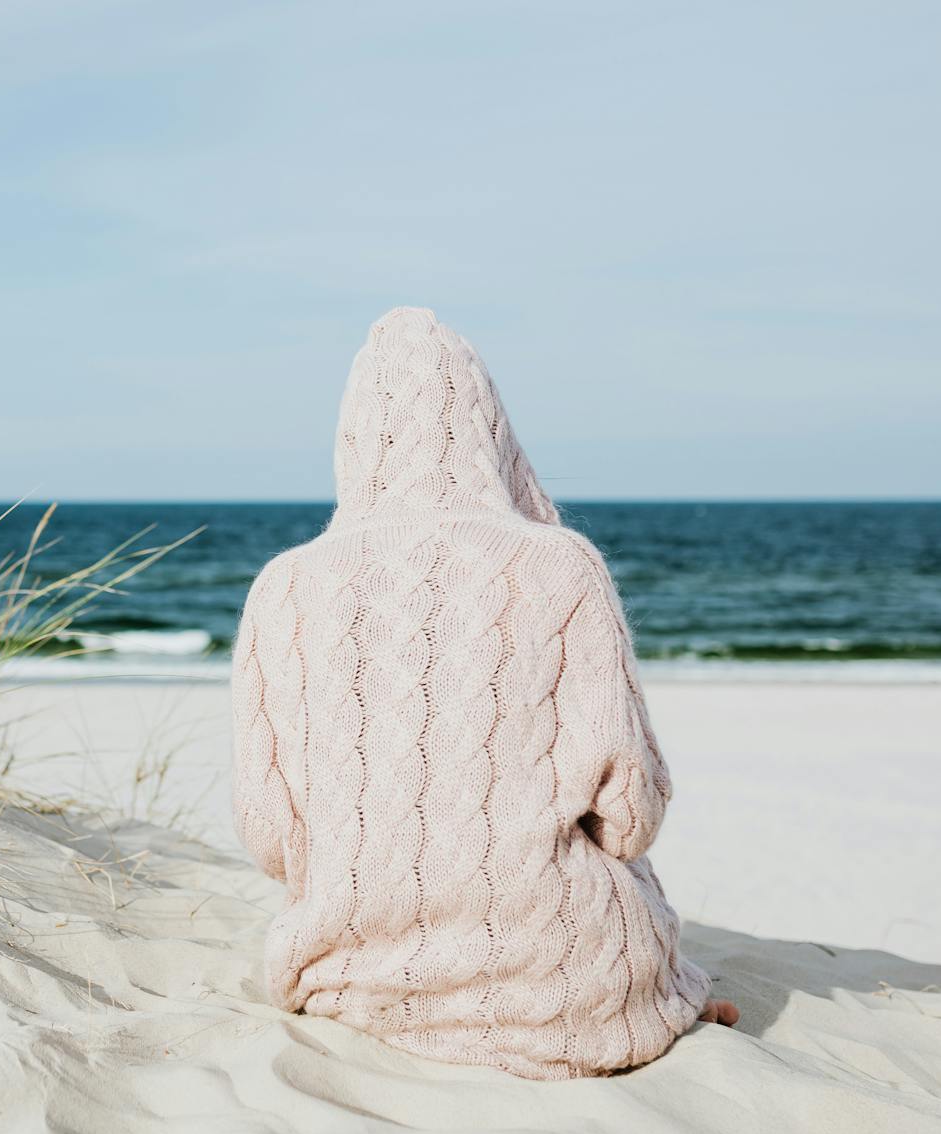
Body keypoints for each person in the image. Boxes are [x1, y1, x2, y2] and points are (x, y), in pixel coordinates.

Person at [230, 307, 737, 1080]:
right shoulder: (559, 565)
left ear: (354, 441)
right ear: (489, 430)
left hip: (356, 977)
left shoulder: (284, 587)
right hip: (570, 987)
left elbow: (270, 835)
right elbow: (632, 819)